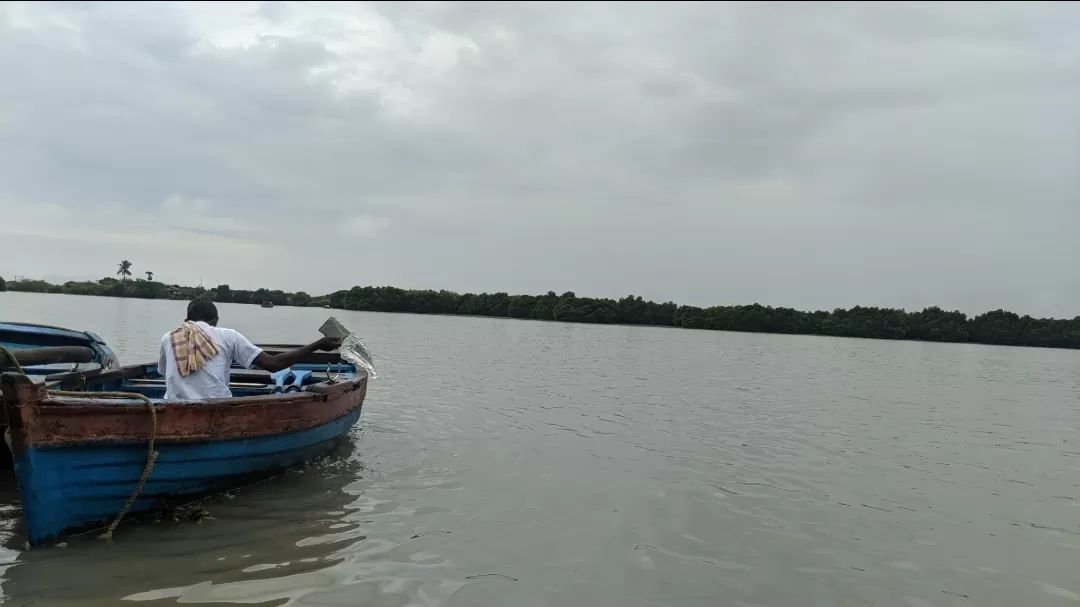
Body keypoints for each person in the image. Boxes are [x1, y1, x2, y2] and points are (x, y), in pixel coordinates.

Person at [159, 299, 341, 401]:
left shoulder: (168, 338)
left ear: (187, 318)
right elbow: (274, 364)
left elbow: (163, 373)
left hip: (173, 408)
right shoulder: (227, 336)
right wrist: (318, 345)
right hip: (215, 408)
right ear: (215, 320)